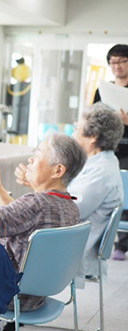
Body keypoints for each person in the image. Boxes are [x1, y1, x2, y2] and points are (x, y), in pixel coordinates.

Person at [16, 104, 124, 284]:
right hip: (68, 239)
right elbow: (62, 200)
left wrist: (38, 185)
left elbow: (65, 210)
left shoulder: (101, 173)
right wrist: (37, 183)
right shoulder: (98, 163)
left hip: (69, 250)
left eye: (77, 128)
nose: (73, 133)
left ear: (93, 137)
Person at [0, 133, 86, 313]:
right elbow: (16, 218)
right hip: (35, 297)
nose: (30, 159)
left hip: (6, 294)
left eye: (37, 155)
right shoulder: (71, 207)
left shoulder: (36, 204)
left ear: (58, 171)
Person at [92, 44, 128, 260]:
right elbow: (94, 116)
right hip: (107, 147)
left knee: (124, 193)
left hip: (127, 150)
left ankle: (122, 245)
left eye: (122, 61)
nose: (117, 66)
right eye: (113, 62)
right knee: (102, 192)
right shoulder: (103, 89)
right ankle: (101, 239)